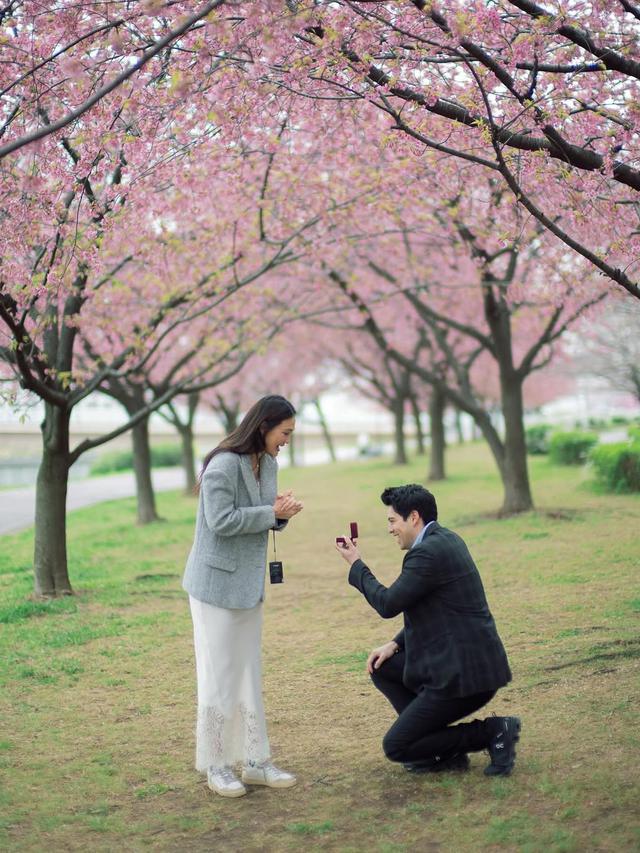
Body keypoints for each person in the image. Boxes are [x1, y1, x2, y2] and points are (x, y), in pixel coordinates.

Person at [335, 484, 520, 777]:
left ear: (414, 517)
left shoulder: (427, 554)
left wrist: (356, 564)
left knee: (397, 747)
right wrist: (395, 645)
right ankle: (440, 749)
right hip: (463, 662)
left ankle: (492, 732)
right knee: (383, 666)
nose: (390, 529)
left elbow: (388, 603)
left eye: (392, 521)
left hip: (465, 676)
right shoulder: (445, 540)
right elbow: (434, 610)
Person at [183, 395, 304, 798]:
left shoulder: (267, 462)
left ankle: (255, 760)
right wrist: (272, 513)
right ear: (265, 426)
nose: (287, 440)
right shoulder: (221, 465)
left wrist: (279, 513)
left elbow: (261, 515)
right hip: (214, 587)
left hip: (248, 586)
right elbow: (221, 521)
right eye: (284, 433)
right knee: (218, 677)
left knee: (249, 672)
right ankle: (216, 765)